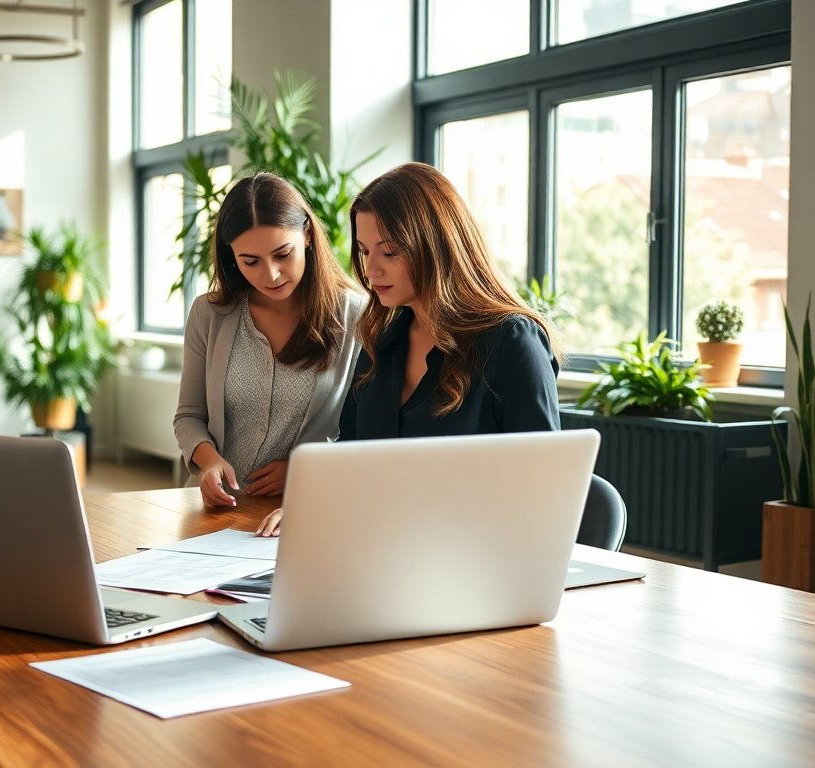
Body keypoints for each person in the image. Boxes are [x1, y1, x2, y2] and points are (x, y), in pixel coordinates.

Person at [256, 162, 561, 536]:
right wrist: (312, 502)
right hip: (379, 547)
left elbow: (543, 488)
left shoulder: (512, 342)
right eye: (365, 252)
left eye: (390, 252)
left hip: (473, 557)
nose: (371, 270)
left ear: (437, 246)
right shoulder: (379, 340)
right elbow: (353, 457)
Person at [175, 173, 364, 508]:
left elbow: (364, 432)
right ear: (231, 256)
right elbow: (189, 415)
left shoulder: (355, 315)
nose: (271, 274)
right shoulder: (209, 313)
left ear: (307, 235)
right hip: (216, 508)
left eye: (282, 254)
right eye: (250, 261)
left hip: (304, 506)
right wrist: (209, 462)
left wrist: (303, 470)